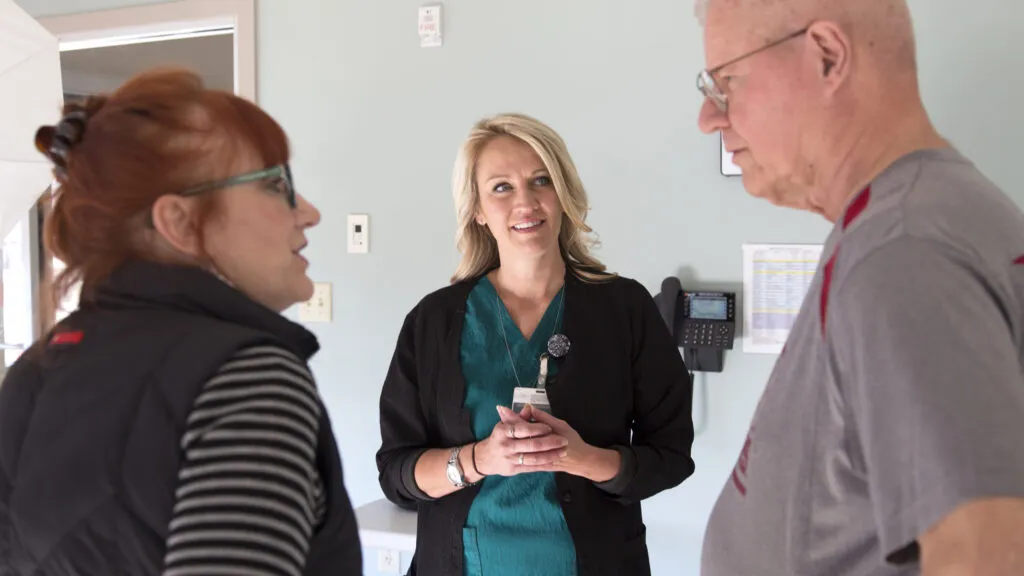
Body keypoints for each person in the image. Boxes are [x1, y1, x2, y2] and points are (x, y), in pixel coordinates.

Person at [695, 0, 1024, 574]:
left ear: (827, 56)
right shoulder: (917, 218)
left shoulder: (903, 252)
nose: (709, 115)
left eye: (727, 81)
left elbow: (987, 554)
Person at [0, 68, 362, 576]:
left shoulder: (34, 372)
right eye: (276, 184)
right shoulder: (248, 379)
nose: (309, 212)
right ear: (180, 222)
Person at [375, 112, 695, 576]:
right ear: (478, 210)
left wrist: (581, 458)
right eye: (501, 187)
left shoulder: (624, 308)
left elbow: (670, 457)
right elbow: (396, 474)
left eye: (540, 180)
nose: (525, 202)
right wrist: (479, 459)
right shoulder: (434, 321)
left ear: (563, 194)